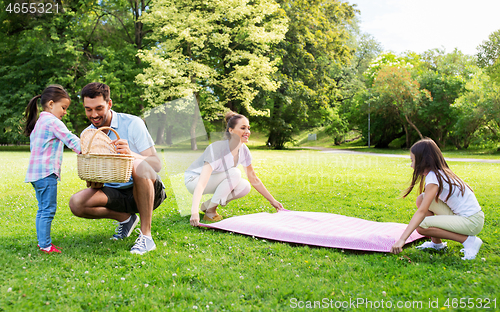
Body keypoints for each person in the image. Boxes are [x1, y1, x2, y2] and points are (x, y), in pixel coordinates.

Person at [69, 82, 166, 255]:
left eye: (99, 108)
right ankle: (126, 219)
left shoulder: (132, 123)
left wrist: (131, 154)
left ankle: (146, 237)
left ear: (109, 104)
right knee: (77, 203)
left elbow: (156, 164)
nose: (94, 115)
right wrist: (94, 181)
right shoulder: (88, 135)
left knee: (138, 165)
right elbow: (99, 181)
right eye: (88, 109)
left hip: (148, 190)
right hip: (115, 193)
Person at [390, 138, 484, 260]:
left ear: (423, 161)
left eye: (413, 160)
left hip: (472, 222)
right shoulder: (438, 173)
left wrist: (402, 239)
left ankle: (469, 241)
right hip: (467, 217)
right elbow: (424, 204)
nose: (411, 165)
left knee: (422, 227)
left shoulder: (434, 178)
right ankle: (437, 244)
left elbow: (422, 212)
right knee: (421, 198)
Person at [186, 111, 284, 226]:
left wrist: (272, 201)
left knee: (245, 186)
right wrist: (194, 212)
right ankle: (210, 212)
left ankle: (208, 206)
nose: (247, 132)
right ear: (231, 130)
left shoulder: (244, 150)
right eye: (243, 128)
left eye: (248, 128)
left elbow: (254, 179)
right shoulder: (217, 149)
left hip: (214, 179)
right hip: (194, 180)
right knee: (235, 173)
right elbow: (202, 183)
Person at [25, 85, 81, 253]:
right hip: (46, 174)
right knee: (48, 210)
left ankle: (43, 242)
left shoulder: (40, 121)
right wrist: (87, 147)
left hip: (36, 174)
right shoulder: (52, 121)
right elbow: (70, 139)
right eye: (63, 107)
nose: (65, 112)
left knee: (43, 209)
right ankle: (45, 246)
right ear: (50, 104)